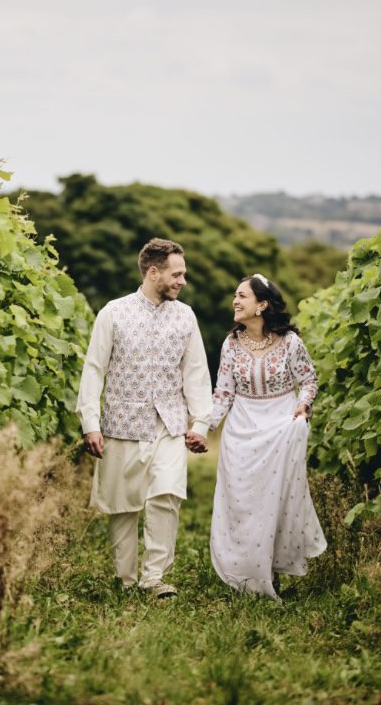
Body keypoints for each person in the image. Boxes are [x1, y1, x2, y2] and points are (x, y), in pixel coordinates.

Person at [77, 238, 213, 598]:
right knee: (123, 505)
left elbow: (196, 372)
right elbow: (94, 369)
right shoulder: (113, 313)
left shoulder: (186, 316)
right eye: (177, 273)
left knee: (166, 497)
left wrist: (199, 424)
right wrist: (90, 423)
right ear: (154, 272)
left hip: (169, 425)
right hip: (121, 423)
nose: (183, 281)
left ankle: (154, 578)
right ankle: (125, 580)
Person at [208, 273, 326, 599]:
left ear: (261, 305)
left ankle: (273, 573)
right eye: (235, 295)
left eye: (242, 296)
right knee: (243, 503)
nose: (235, 301)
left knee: (274, 503)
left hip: (280, 428)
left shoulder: (290, 343)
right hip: (242, 430)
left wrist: (303, 406)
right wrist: (205, 428)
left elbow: (309, 381)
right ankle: (244, 574)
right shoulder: (231, 344)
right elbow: (223, 394)